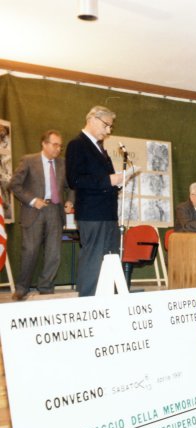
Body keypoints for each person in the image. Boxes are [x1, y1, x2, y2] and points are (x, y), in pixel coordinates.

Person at [9, 130, 74, 300]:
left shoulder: (63, 163)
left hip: (55, 211)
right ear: (44, 144)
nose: (58, 149)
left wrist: (70, 201)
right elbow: (14, 185)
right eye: (54, 145)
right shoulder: (29, 160)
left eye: (60, 145)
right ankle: (22, 288)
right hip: (33, 211)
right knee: (29, 251)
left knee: (54, 254)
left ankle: (46, 287)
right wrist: (32, 200)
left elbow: (72, 186)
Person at [65, 105, 123, 296]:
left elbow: (101, 179)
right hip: (92, 213)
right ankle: (88, 303)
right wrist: (108, 180)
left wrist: (117, 182)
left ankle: (108, 300)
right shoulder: (77, 144)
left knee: (110, 257)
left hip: (107, 213)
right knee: (93, 258)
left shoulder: (100, 148)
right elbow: (74, 179)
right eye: (106, 125)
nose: (108, 131)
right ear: (93, 119)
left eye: (110, 127)